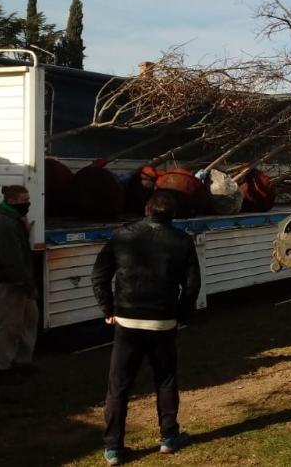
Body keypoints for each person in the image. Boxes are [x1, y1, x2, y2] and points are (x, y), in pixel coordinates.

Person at [91, 190, 201, 466]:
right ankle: (168, 437)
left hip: (127, 320)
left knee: (118, 386)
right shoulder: (181, 240)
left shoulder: (122, 234)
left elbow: (99, 274)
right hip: (163, 320)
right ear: (173, 215)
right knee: (165, 380)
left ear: (146, 209)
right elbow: (191, 285)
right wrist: (181, 315)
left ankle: (114, 448)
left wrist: (109, 310)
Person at [0, 185, 38, 384]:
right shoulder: (5, 223)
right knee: (10, 326)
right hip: (10, 283)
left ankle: (22, 362)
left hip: (19, 281)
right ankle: (1, 368)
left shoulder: (13, 220)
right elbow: (12, 259)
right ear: (12, 201)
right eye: (24, 200)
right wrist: (26, 285)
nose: (28, 203)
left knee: (29, 320)